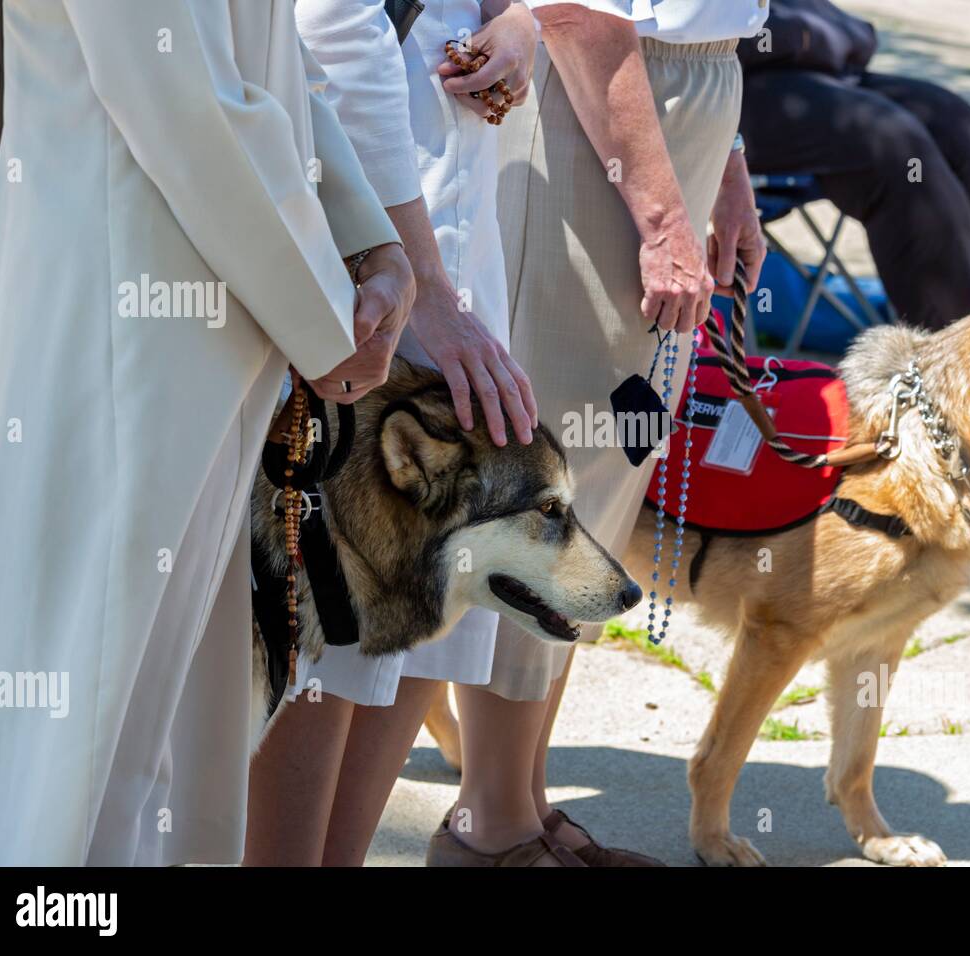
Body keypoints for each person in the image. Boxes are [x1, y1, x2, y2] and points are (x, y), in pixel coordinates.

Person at [0, 0, 412, 865]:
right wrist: (328, 315)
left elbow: (262, 53)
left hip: (208, 330)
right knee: (78, 741)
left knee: (163, 726)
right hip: (115, 335)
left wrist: (366, 240)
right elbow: (179, 95)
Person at [424, 0, 769, 866]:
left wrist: (724, 159)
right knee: (553, 485)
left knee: (605, 482)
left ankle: (524, 804)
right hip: (603, 100)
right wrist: (662, 217)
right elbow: (580, 16)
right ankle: (490, 822)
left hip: (675, 97)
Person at [245, 0, 540, 866]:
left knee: (427, 583)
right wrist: (423, 282)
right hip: (372, 203)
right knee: (341, 592)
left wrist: (516, 20)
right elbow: (335, 25)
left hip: (446, 196)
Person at [737, 0, 970, 332]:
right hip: (710, 73)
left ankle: (949, 319)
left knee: (955, 125)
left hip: (793, 52)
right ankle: (952, 352)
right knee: (892, 143)